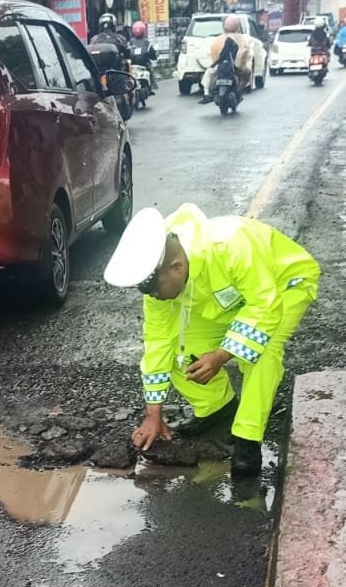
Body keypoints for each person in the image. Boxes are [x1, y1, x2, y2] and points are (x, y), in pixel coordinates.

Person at [104, 203, 319, 478]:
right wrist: (153, 413)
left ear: (177, 267)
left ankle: (248, 436)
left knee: (262, 350)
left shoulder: (230, 245)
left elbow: (264, 307)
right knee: (179, 349)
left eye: (154, 289)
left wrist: (222, 354)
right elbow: (157, 342)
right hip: (224, 303)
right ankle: (218, 408)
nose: (152, 296)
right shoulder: (161, 283)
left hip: (282, 286)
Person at [200, 13, 253, 104]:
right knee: (247, 74)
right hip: (238, 69)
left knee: (209, 72)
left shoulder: (218, 40)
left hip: (222, 67)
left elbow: (215, 56)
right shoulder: (242, 39)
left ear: (224, 27)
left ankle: (206, 94)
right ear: (237, 27)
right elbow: (247, 56)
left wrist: (214, 65)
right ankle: (239, 92)